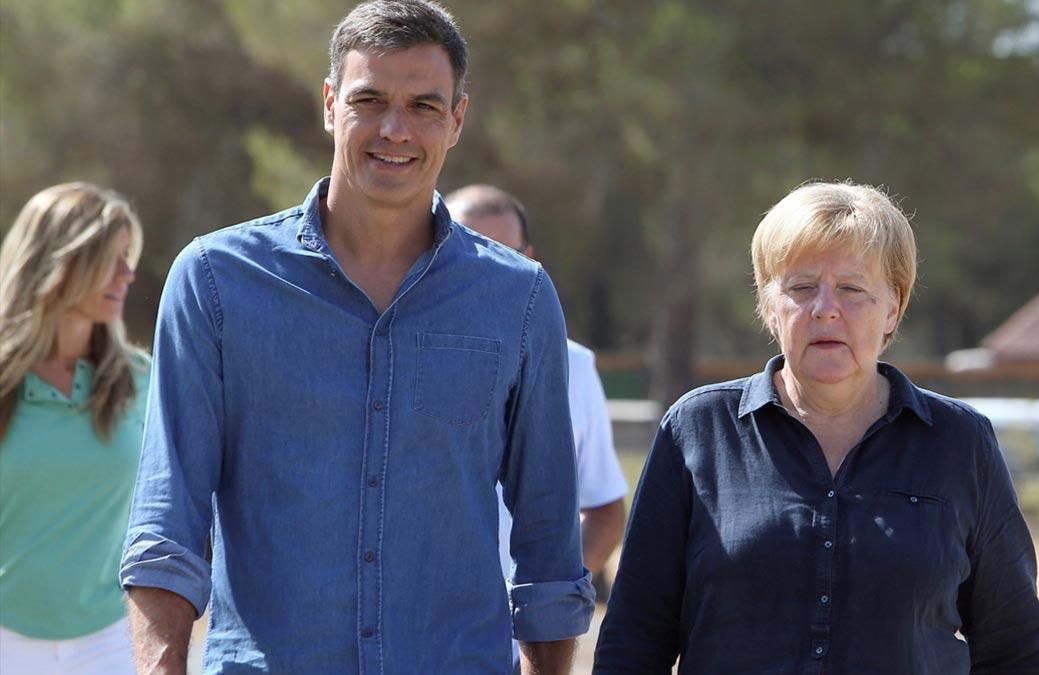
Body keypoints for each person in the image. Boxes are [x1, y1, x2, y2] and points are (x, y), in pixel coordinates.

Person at [119, 2, 593, 673]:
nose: (395, 129)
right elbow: (168, 523)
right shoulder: (217, 282)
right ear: (329, 104)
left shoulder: (517, 300)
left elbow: (549, 544)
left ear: (457, 119)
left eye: (424, 106)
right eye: (369, 100)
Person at [594, 181, 1039, 674]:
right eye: (800, 288)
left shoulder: (959, 443)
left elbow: (1017, 651)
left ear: (893, 309)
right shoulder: (697, 431)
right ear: (769, 306)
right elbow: (634, 641)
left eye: (852, 288)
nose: (825, 308)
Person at [446, 185, 628, 671]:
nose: (483, 266)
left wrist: (543, 613)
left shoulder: (575, 366)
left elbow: (606, 507)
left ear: (529, 259)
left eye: (501, 251)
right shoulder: (404, 361)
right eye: (468, 245)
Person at [0, 183, 148, 675]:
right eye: (111, 257)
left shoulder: (143, 383)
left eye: (129, 257)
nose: (128, 273)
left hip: (110, 641)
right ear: (59, 261)